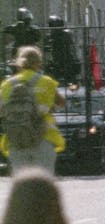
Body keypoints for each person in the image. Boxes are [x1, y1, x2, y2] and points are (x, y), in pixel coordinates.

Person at [0, 45, 65, 174]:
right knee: (43, 182)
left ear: (19, 63)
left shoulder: (7, 84)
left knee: (23, 184)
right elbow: (61, 103)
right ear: (39, 63)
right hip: (43, 136)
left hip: (16, 138)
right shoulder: (46, 82)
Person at [45, 15, 81, 84]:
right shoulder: (51, 36)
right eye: (51, 26)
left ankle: (72, 84)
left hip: (67, 58)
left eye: (53, 26)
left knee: (71, 79)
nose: (52, 28)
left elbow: (71, 47)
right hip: (57, 59)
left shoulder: (66, 34)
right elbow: (48, 49)